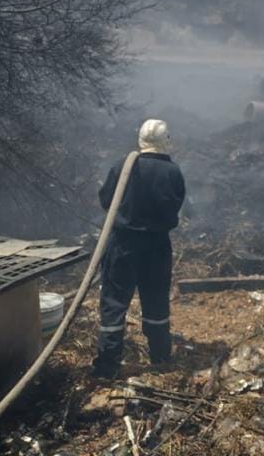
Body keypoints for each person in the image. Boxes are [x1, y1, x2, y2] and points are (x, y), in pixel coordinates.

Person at [92, 119, 186, 379]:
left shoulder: (123, 166)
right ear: (166, 140)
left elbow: (105, 200)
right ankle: (160, 358)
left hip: (123, 245)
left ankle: (108, 366)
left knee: (114, 303)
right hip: (157, 246)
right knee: (156, 301)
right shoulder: (173, 172)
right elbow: (174, 207)